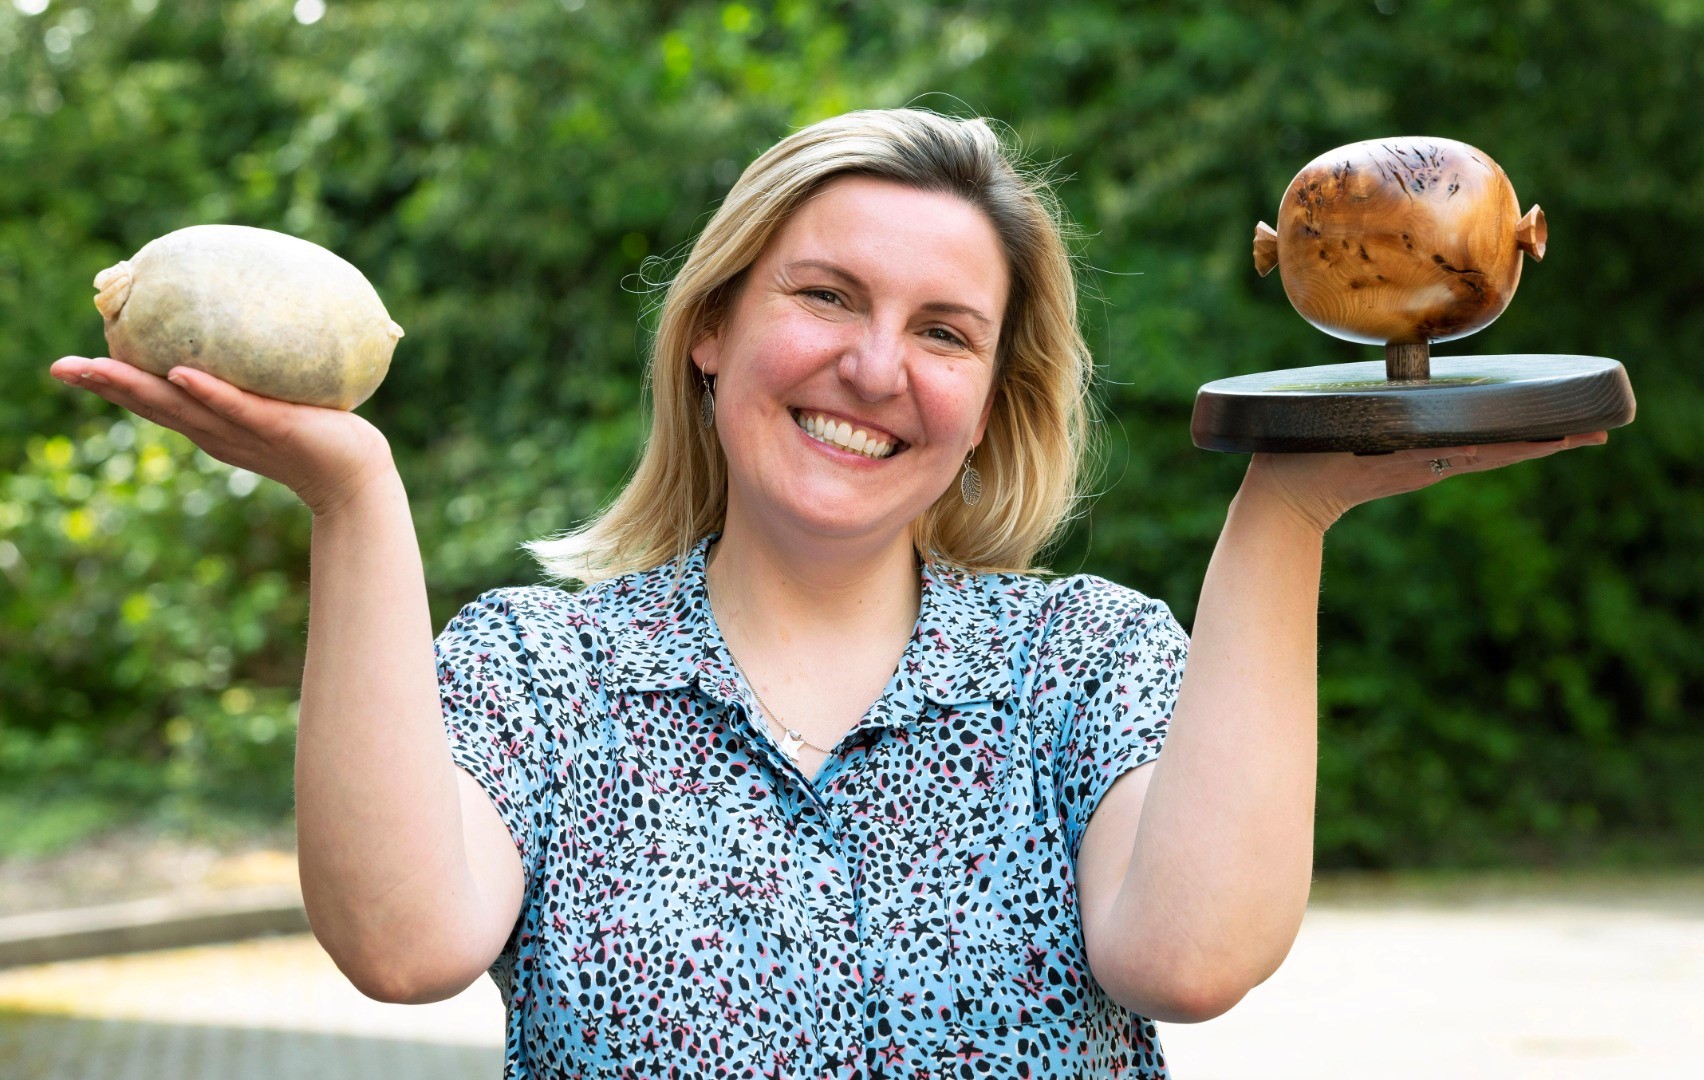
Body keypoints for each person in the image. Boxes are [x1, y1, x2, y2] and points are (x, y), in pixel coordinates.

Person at [50, 109, 1606, 1078]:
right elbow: (403, 946)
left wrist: (1289, 509)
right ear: (712, 328)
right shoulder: (541, 671)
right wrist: (353, 497)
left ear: (991, 399)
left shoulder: (1090, 661)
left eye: (943, 331)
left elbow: (1189, 961)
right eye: (826, 295)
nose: (873, 365)